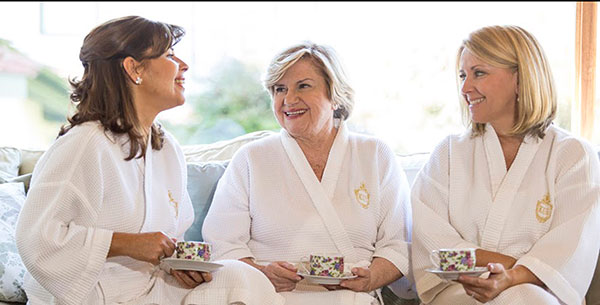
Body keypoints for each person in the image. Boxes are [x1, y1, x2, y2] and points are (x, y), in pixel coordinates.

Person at [15, 16, 283, 305]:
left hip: (153, 291)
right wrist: (123, 244)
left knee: (241, 277)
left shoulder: (166, 148)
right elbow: (36, 239)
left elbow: (169, 240)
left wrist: (181, 266)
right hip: (94, 297)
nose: (183, 65)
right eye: (169, 54)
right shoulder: (84, 144)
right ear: (133, 68)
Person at [202, 41, 413, 305]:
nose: (289, 100)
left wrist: (370, 279)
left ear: (334, 94)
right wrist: (262, 274)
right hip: (265, 296)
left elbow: (398, 243)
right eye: (280, 89)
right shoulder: (251, 158)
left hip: (350, 297)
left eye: (303, 86)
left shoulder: (375, 154)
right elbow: (223, 244)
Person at [411, 25, 600, 305]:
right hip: (461, 292)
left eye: (479, 73)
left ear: (521, 78)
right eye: (462, 75)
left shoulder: (573, 155)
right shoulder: (448, 153)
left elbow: (571, 248)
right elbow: (434, 243)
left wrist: (513, 278)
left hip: (540, 293)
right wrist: (513, 266)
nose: (465, 87)